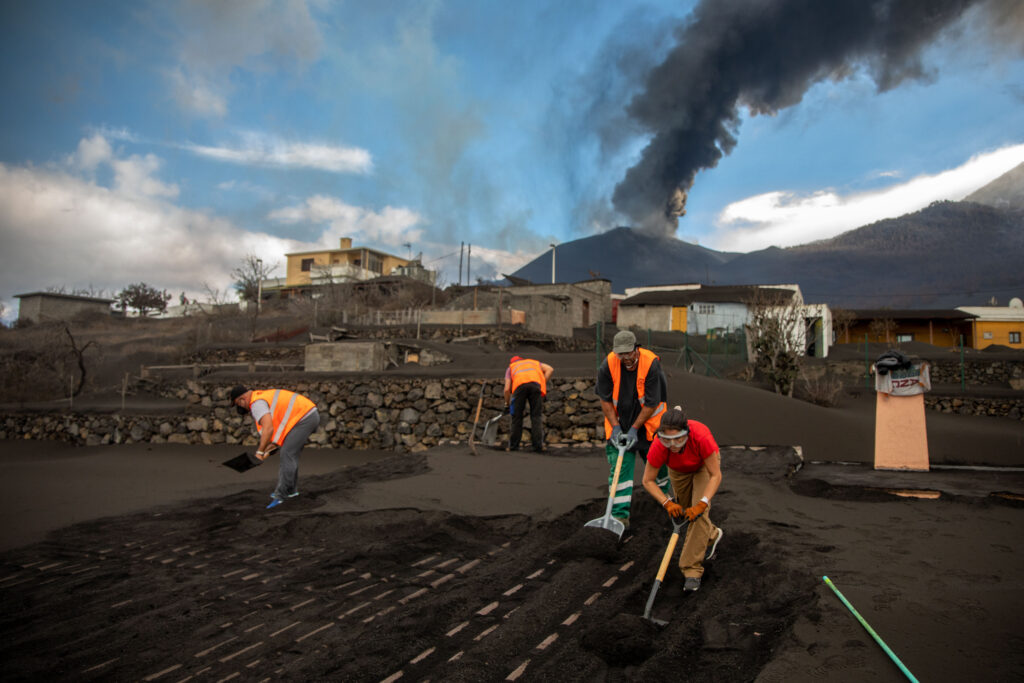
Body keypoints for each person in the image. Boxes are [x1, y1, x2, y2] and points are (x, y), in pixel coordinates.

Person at [642, 405, 724, 592]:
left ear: (686, 433)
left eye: (678, 439)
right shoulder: (659, 446)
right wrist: (667, 502)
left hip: (704, 467)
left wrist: (703, 503)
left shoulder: (701, 436)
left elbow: (715, 475)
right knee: (687, 511)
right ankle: (712, 535)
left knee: (698, 512)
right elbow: (647, 481)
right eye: (667, 440)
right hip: (679, 471)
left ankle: (691, 571)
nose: (673, 445)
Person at [596, 330, 671, 529]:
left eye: (628, 353)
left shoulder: (651, 364)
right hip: (619, 425)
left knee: (657, 465)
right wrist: (616, 427)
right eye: (620, 354)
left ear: (636, 349)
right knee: (621, 469)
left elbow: (651, 403)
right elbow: (604, 399)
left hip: (648, 426)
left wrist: (634, 429)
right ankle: (619, 518)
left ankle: (666, 503)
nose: (625, 358)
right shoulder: (608, 365)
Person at [230, 385, 320, 509]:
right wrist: (272, 447)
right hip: (305, 415)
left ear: (242, 399)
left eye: (238, 404)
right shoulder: (261, 398)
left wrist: (260, 452)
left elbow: (268, 428)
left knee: (287, 454)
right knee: (289, 454)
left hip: (304, 417)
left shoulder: (256, 404)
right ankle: (291, 491)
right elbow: (277, 428)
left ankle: (280, 496)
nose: (239, 407)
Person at [503, 355, 554, 452]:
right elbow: (550, 369)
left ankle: (513, 446)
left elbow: (506, 389)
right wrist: (542, 382)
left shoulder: (511, 368)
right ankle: (538, 446)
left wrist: (507, 404)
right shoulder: (533, 363)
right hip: (535, 386)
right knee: (536, 416)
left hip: (519, 388)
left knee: (517, 418)